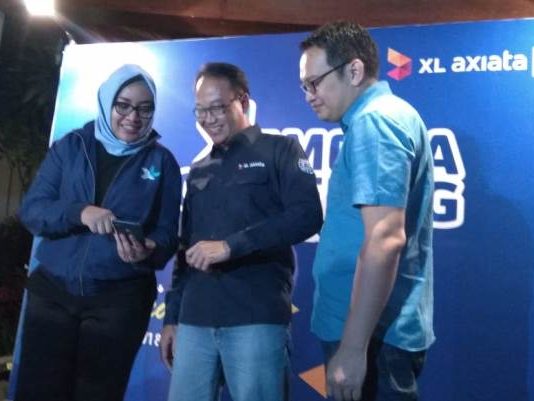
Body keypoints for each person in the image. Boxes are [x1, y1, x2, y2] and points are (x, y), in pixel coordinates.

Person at [16, 64, 182, 401]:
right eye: (123, 105)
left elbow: (167, 236)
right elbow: (33, 211)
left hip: (119, 301)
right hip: (52, 295)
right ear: (107, 102)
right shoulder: (70, 146)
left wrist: (148, 250)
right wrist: (79, 212)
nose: (133, 117)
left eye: (144, 108)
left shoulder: (162, 162)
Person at [160, 62, 322, 401]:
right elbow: (185, 248)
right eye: (201, 110)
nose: (208, 118)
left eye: (217, 107)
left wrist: (231, 246)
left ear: (243, 101)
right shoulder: (200, 168)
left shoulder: (281, 149)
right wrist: (172, 317)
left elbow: (307, 215)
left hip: (255, 317)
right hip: (194, 320)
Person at [299, 21, 434, 401]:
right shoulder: (382, 117)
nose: (309, 96)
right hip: (372, 332)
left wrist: (354, 348)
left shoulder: (375, 122)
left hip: (373, 338)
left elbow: (385, 239)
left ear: (354, 71)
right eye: (304, 86)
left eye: (314, 83)